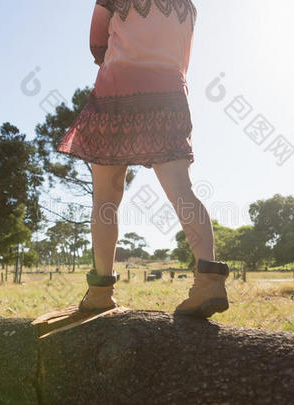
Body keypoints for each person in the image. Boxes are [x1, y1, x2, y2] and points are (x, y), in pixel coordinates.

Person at [55, 0, 229, 318]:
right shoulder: (187, 6)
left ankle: (100, 292)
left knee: (106, 196)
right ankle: (210, 282)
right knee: (181, 188)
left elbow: (96, 47)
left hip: (116, 93)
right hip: (170, 96)